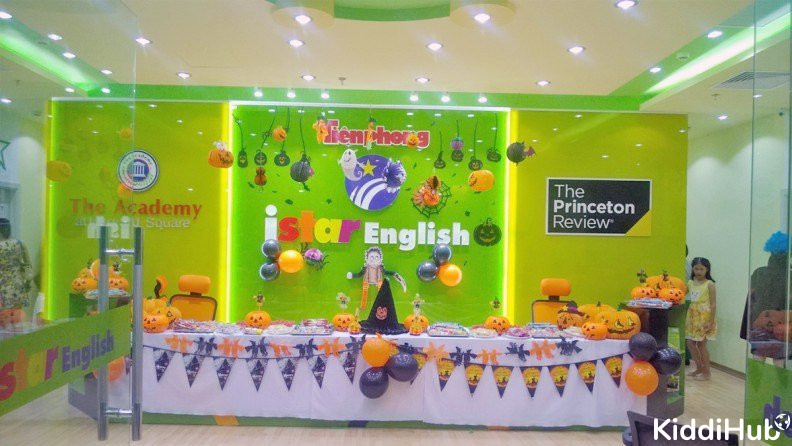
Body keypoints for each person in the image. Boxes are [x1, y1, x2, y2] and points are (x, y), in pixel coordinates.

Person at [686, 257, 717, 381]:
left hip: (704, 317)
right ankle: (699, 368)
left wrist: (711, 322)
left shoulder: (710, 284)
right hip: (693, 316)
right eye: (696, 269)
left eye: (701, 269)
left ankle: (707, 372)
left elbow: (713, 304)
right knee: (690, 343)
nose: (698, 271)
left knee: (702, 345)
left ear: (707, 270)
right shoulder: (690, 282)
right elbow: (681, 293)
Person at [0, 218, 33, 312]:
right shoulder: (20, 244)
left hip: (2, 289)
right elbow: (28, 266)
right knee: (16, 316)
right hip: (18, 286)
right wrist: (28, 283)